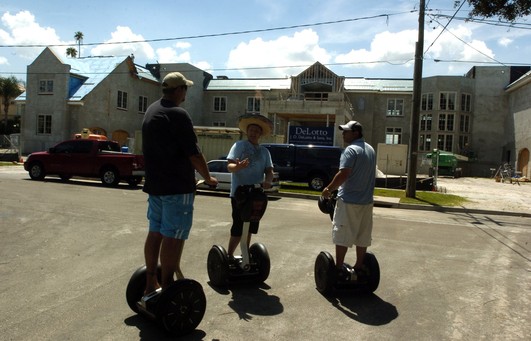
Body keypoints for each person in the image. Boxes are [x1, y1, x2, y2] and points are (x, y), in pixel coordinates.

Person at [141, 72, 218, 295]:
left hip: (156, 186)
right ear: (179, 90)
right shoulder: (178, 114)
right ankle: (167, 287)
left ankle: (150, 283)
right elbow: (194, 154)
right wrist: (209, 176)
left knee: (155, 232)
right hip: (177, 188)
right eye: (186, 88)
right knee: (173, 237)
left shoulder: (152, 110)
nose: (186, 93)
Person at [321, 120, 376, 280]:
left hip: (349, 201)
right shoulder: (370, 149)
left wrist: (328, 189)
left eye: (346, 131)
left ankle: (338, 269)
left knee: (342, 234)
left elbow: (344, 174)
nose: (343, 134)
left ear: (356, 133)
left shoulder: (350, 150)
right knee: (362, 235)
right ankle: (359, 267)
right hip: (366, 202)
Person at [226, 114, 274, 258]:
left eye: (257, 131)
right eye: (251, 130)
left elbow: (269, 171)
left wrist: (268, 181)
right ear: (247, 131)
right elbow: (230, 166)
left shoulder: (265, 152)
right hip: (240, 194)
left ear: (260, 134)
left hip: (256, 193)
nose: (254, 133)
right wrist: (238, 166)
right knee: (238, 226)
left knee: (250, 226)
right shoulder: (239, 145)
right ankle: (229, 256)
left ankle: (245, 254)